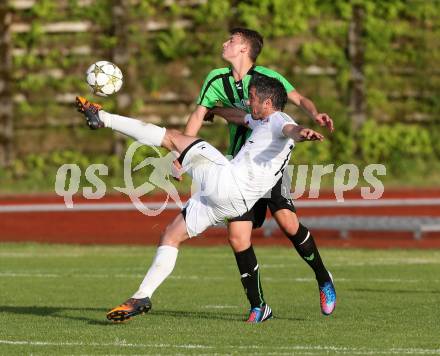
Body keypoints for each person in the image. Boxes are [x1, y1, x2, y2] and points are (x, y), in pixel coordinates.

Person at [75, 76, 325, 323]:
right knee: (171, 235)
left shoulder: (278, 119)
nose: (249, 103)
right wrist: (216, 110)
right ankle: (142, 296)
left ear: (268, 103)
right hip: (229, 201)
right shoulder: (262, 120)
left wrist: (303, 132)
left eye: (252, 99)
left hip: (228, 182)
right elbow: (240, 117)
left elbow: (291, 130)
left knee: (172, 138)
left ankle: (104, 119)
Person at [181, 28, 336, 320]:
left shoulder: (266, 80)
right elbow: (211, 114)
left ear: (244, 49)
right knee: (238, 238)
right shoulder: (215, 79)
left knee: (289, 225)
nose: (224, 42)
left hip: (267, 171)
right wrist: (186, 151)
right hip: (236, 169)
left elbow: (297, 102)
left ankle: (323, 278)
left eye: (232, 40)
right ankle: (258, 305)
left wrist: (313, 116)